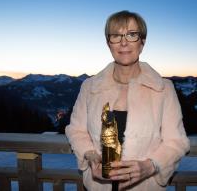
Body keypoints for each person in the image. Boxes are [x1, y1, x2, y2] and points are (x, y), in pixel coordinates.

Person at [65, 10, 190, 191]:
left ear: (142, 42)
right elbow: (76, 130)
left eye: (132, 35)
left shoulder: (163, 89)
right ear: (109, 43)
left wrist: (150, 166)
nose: (123, 42)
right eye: (116, 35)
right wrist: (90, 155)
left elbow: (176, 142)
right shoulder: (89, 87)